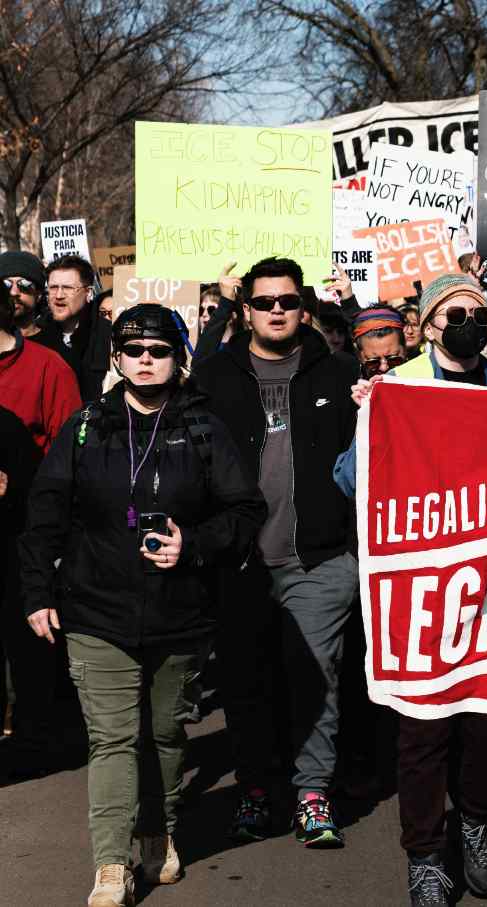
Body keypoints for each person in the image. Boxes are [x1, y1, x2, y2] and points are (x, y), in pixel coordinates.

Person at [19, 304, 265, 907]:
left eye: (158, 350)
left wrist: (195, 544)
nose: (146, 361)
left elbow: (244, 511)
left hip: (180, 612)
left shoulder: (205, 428)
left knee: (164, 734)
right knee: (111, 740)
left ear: (179, 357)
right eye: (134, 351)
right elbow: (44, 516)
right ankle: (109, 864)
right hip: (97, 610)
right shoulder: (86, 427)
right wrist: (36, 593)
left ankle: (158, 833)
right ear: (116, 359)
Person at [333, 274, 487, 907]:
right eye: (453, 314)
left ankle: (474, 823)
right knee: (424, 731)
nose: (467, 323)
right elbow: (348, 481)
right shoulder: (401, 387)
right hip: (425, 589)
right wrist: (373, 422)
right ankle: (425, 855)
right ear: (426, 327)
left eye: (477, 312)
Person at [189, 256, 361, 849]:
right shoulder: (211, 378)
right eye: (264, 302)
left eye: (287, 300)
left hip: (319, 561)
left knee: (317, 681)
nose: (277, 311)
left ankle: (313, 794)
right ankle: (258, 791)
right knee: (246, 683)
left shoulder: (340, 373)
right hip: (238, 563)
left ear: (303, 306)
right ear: (246, 310)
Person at [0, 279, 82, 779]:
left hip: (24, 533)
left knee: (28, 640)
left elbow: (70, 455)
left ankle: (34, 739)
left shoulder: (48, 367)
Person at [32, 254, 109, 401]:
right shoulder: (36, 334)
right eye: (53, 288)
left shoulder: (108, 335)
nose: (59, 295)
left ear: (88, 293)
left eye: (67, 288)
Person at [2, 250, 47, 339]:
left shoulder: (54, 345)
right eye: (6, 285)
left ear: (38, 295)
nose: (13, 292)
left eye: (24, 285)